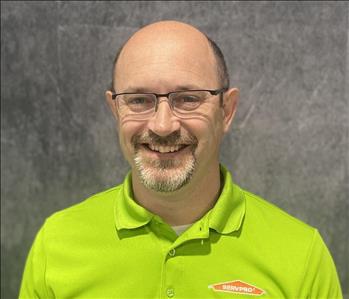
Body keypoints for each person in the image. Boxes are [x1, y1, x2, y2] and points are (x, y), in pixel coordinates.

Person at [19, 20, 342, 299]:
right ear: (116, 110)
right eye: (139, 100)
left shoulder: (301, 254)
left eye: (188, 99)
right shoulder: (57, 242)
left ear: (226, 111)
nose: (162, 125)